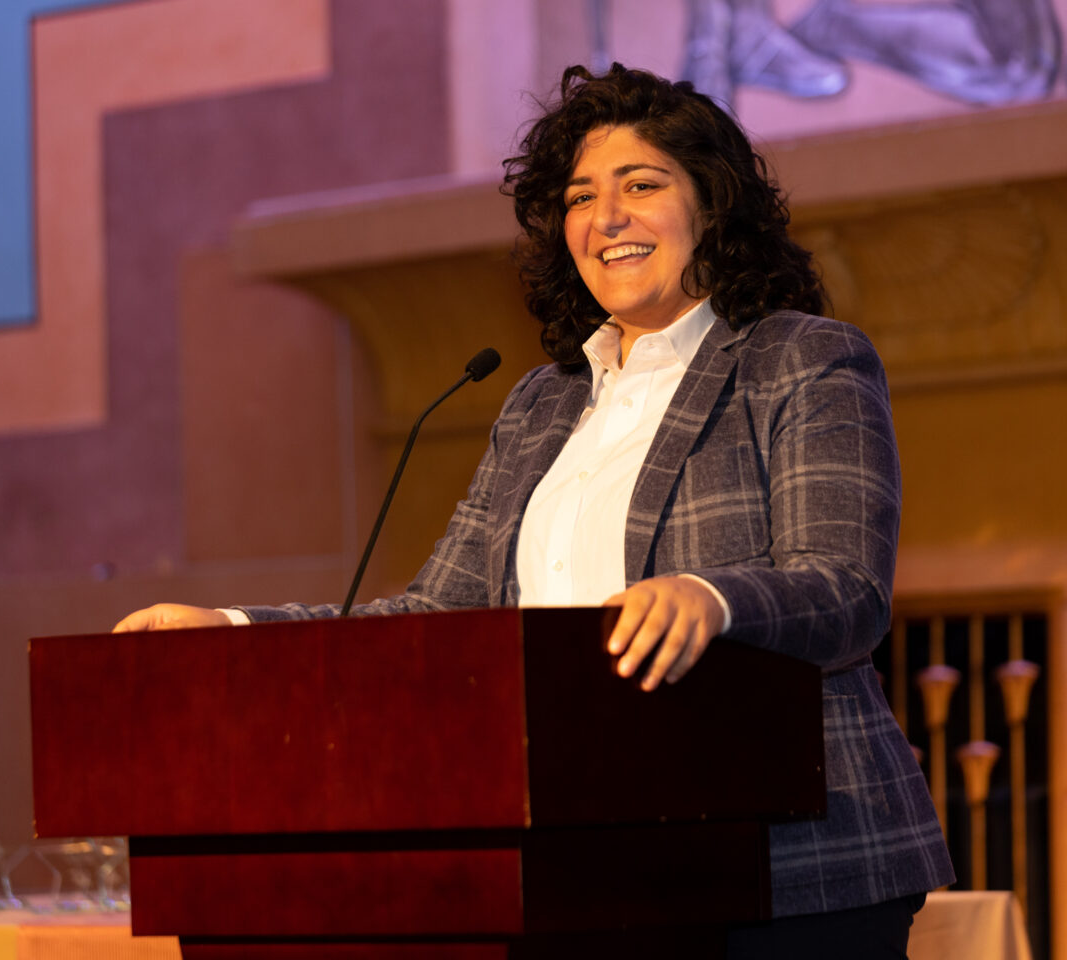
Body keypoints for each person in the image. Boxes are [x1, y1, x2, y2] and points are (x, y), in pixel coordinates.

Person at [115, 63, 954, 956]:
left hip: (788, 872)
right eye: (581, 197)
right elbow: (436, 616)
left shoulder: (799, 358)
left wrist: (713, 598)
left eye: (642, 184)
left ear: (712, 204)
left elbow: (846, 587)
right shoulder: (541, 403)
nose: (608, 218)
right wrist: (233, 628)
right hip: (578, 876)